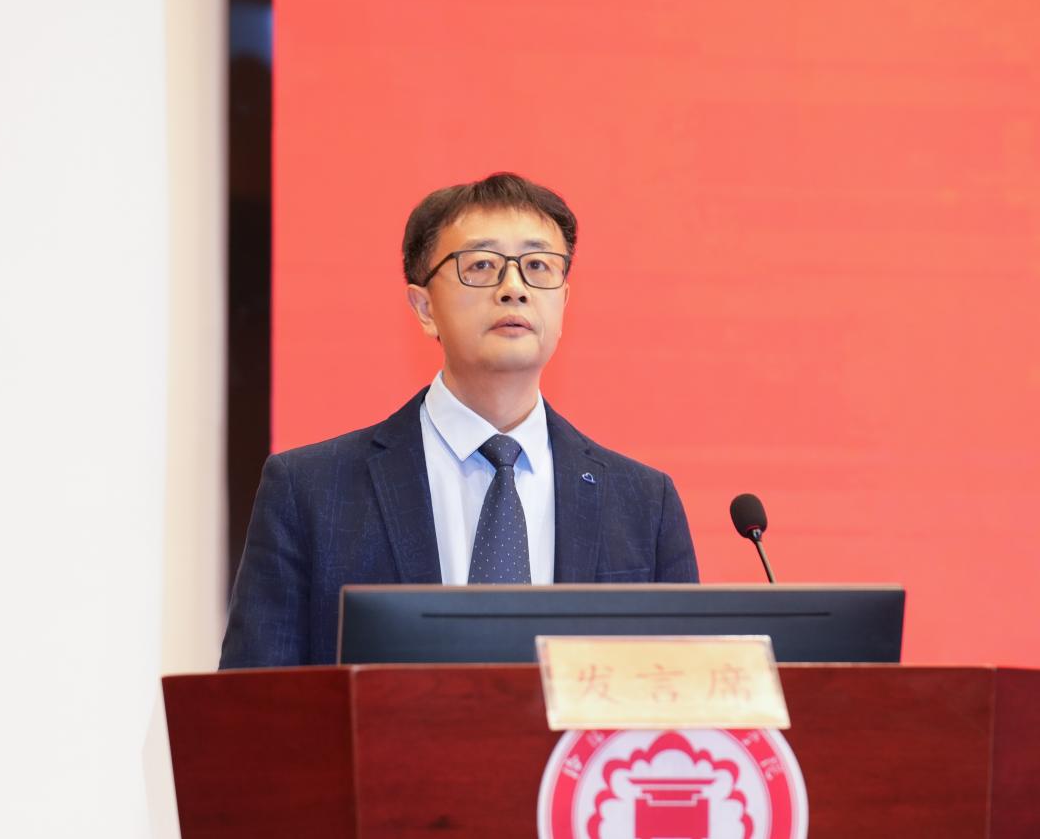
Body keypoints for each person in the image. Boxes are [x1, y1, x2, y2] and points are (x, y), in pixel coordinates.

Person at [219, 172, 698, 669]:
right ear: (424, 307)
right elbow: (254, 701)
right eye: (482, 265)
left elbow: (687, 692)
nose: (514, 288)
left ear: (563, 302)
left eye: (538, 266)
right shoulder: (310, 492)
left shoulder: (644, 503)